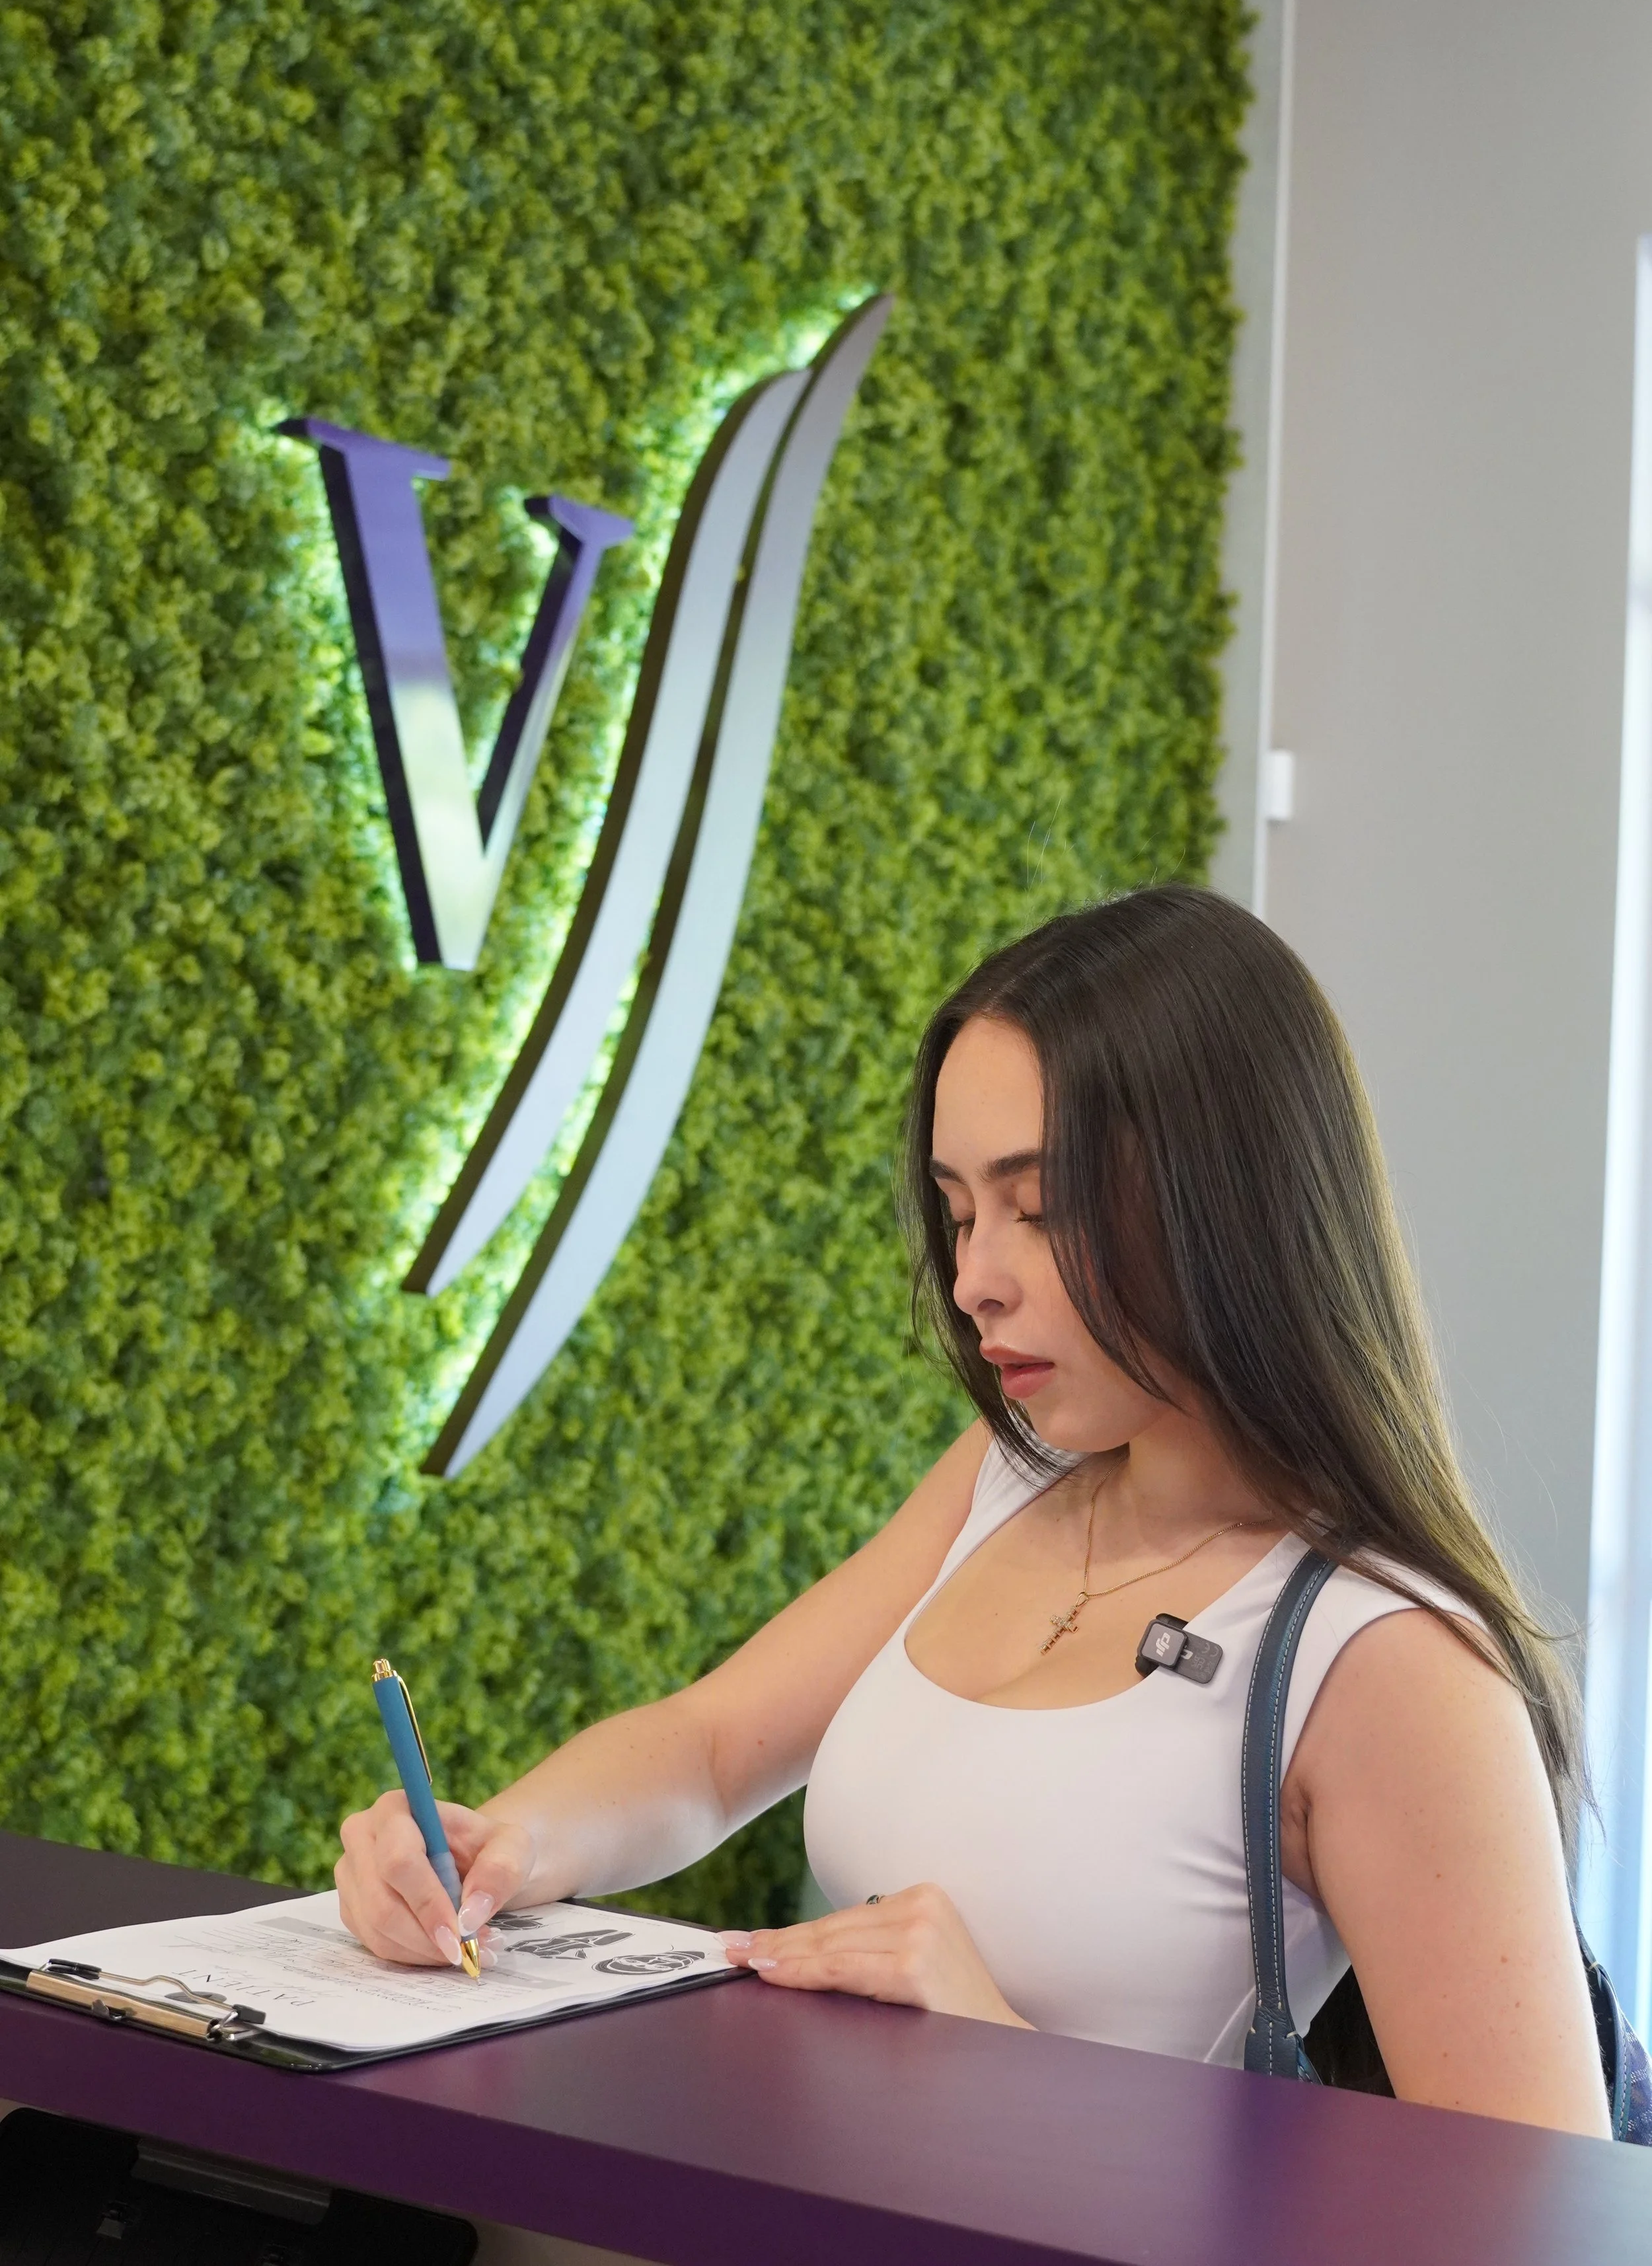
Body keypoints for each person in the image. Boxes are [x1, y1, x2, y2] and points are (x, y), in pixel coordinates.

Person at [336, 886, 1608, 2133]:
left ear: (1231, 1200)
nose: (974, 1279)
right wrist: (498, 1849)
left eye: (1037, 1209)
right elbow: (716, 1744)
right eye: (957, 1211)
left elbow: (1533, 2230)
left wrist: (1002, 2058)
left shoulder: (1389, 1661)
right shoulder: (1010, 1474)